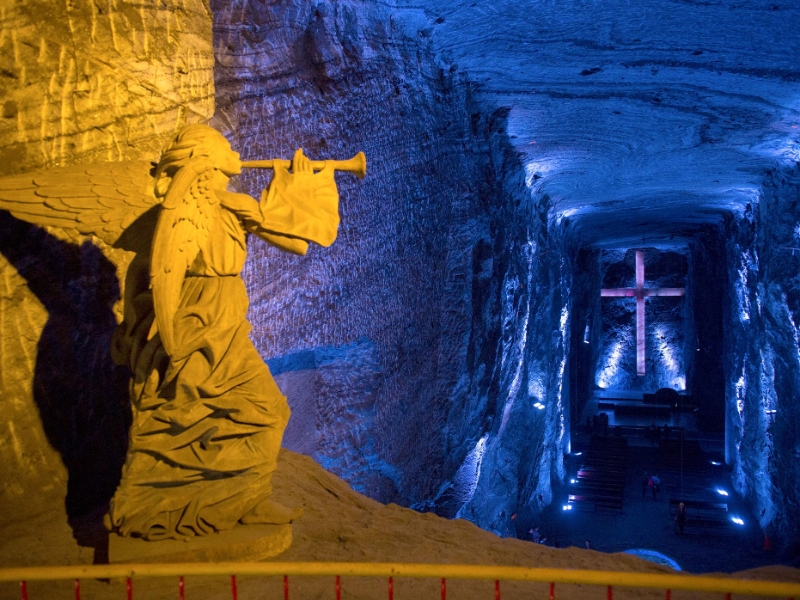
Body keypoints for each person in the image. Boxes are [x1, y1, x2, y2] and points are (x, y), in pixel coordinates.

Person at [105, 125, 341, 540]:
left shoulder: (229, 206)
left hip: (218, 319)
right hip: (202, 321)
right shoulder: (203, 210)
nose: (235, 155)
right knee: (239, 410)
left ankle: (241, 500)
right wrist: (132, 324)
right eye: (224, 152)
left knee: (228, 411)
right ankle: (183, 502)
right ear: (207, 164)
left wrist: (298, 182)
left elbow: (299, 241)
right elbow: (151, 266)